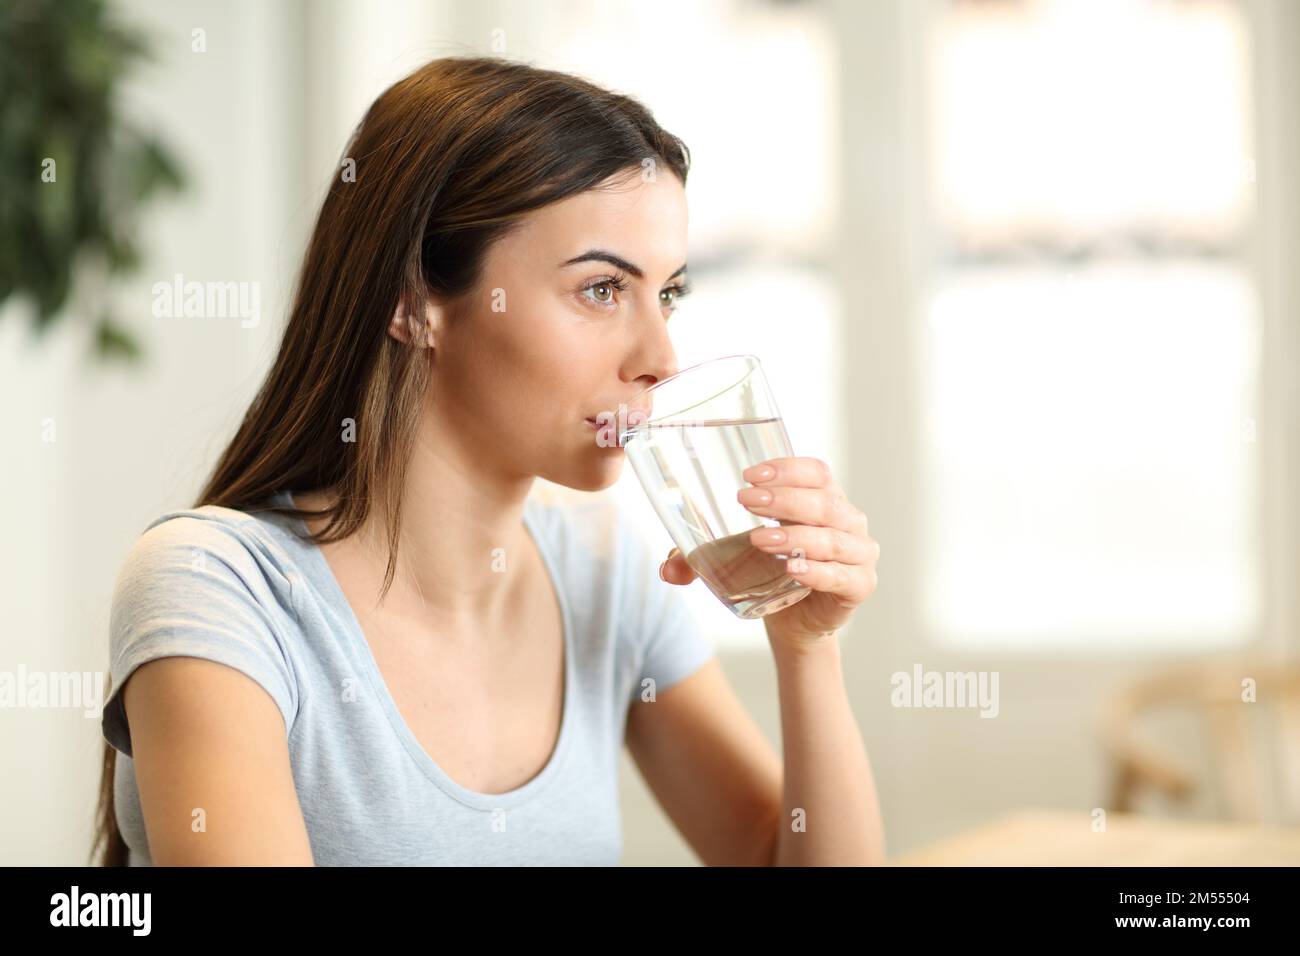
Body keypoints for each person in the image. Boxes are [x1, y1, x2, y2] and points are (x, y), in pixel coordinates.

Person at [91, 55, 883, 866]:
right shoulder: (222, 591)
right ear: (413, 302)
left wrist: (806, 646)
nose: (661, 358)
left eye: (668, 294)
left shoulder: (599, 570)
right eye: (603, 290)